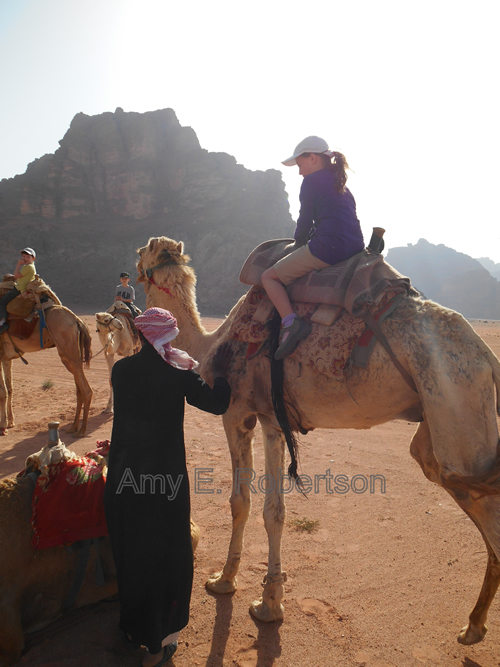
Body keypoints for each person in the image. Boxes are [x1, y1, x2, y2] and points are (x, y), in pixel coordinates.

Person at [104, 307, 232, 667]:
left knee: (131, 554)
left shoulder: (121, 370)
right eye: (171, 334)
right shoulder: (179, 373)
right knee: (163, 558)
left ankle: (131, 629)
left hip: (124, 479)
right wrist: (218, 373)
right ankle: (156, 645)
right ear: (164, 336)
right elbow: (218, 402)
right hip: (163, 485)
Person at [261, 136, 364, 360]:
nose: (299, 172)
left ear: (313, 158)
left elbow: (305, 220)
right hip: (356, 246)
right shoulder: (342, 184)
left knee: (269, 277)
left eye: (300, 165)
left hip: (328, 248)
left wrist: (297, 244)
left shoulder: (312, 181)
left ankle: (291, 324)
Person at [0, 247, 37, 334]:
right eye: (24, 257)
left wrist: (18, 264)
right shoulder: (29, 266)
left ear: (33, 258)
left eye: (28, 257)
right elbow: (20, 276)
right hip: (20, 286)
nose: (25, 259)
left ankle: (2, 322)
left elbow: (16, 276)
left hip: (20, 289)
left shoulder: (27, 267)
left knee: (2, 302)